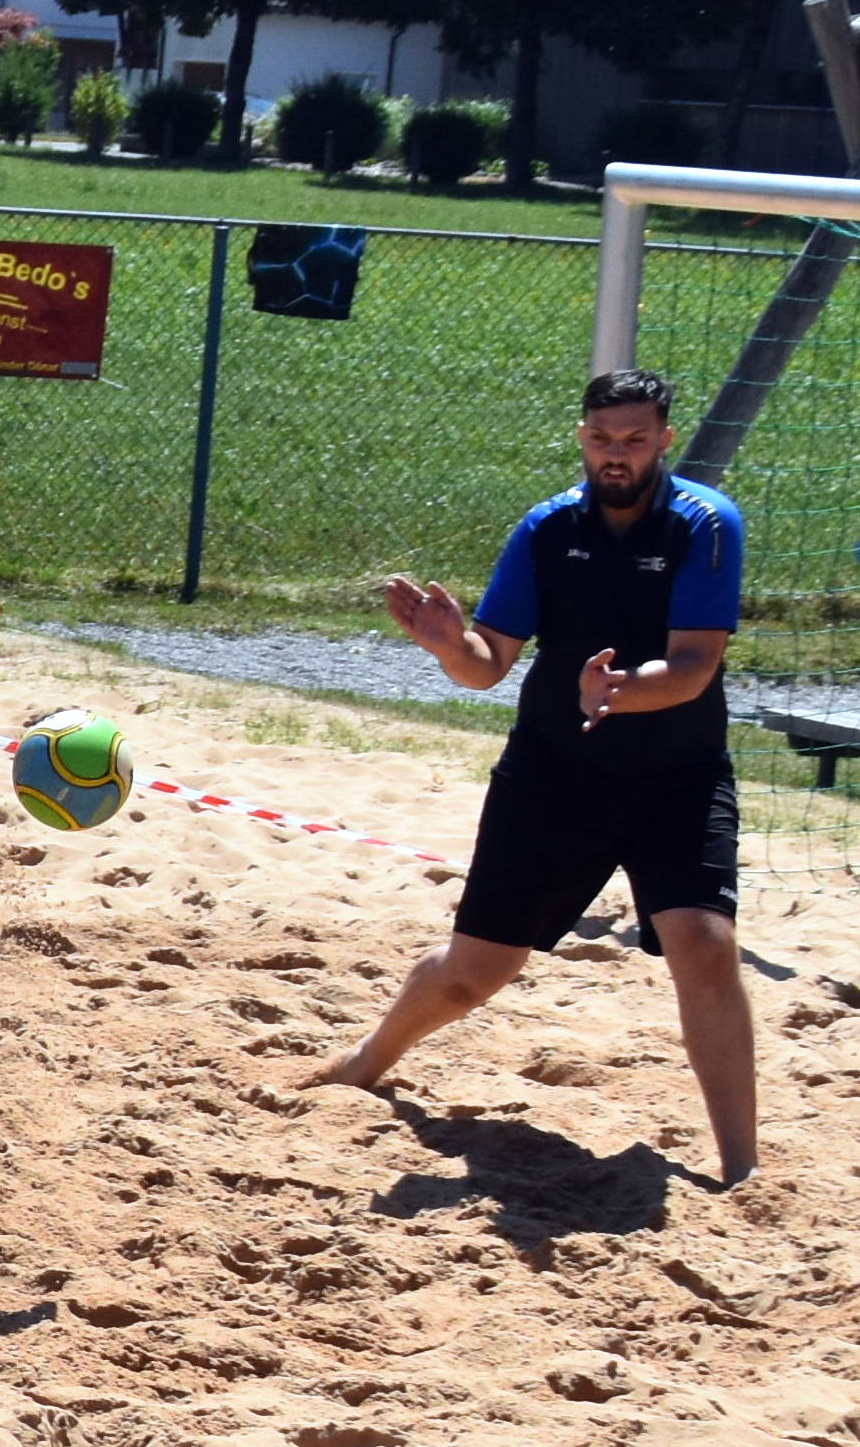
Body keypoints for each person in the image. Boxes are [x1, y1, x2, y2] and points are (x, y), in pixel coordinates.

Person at [314, 368, 759, 1186]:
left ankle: (740, 1168)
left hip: (677, 773)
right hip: (554, 774)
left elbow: (694, 666)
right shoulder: (548, 527)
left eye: (634, 439)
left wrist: (619, 691)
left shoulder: (704, 523)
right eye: (601, 438)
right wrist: (449, 646)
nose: (615, 454)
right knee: (472, 973)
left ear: (663, 439)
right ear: (581, 438)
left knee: (704, 941)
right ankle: (366, 1060)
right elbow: (487, 665)